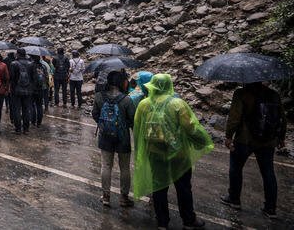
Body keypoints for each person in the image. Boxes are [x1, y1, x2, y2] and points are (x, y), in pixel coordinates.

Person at [133, 74, 212, 230]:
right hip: (179, 154)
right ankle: (188, 220)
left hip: (155, 152)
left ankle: (162, 222)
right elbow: (191, 127)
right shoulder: (178, 104)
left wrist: (140, 151)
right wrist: (203, 141)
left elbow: (138, 130)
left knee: (159, 187)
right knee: (183, 187)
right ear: (169, 85)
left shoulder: (144, 104)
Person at [221, 81, 286, 219]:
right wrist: (281, 137)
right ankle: (270, 208)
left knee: (236, 168)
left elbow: (234, 117)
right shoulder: (273, 94)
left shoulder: (241, 93)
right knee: (268, 172)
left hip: (245, 139)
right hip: (268, 141)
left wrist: (228, 136)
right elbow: (281, 117)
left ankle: (234, 199)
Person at [92, 70, 136, 208]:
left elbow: (95, 114)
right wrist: (124, 125)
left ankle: (106, 196)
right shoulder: (126, 99)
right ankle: (124, 198)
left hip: (105, 136)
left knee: (106, 165)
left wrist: (104, 125)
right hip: (122, 137)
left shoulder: (99, 96)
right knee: (124, 168)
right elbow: (132, 119)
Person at [10, 48, 34, 134]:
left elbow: (12, 78)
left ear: (18, 54)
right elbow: (33, 78)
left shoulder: (14, 64)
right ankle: (26, 129)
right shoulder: (31, 64)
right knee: (26, 109)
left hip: (16, 90)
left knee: (17, 109)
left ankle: (18, 129)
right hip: (28, 90)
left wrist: (12, 89)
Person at [28, 55, 44, 127]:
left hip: (32, 88)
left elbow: (28, 77)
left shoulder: (31, 65)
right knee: (39, 106)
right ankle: (39, 122)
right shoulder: (42, 66)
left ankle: (33, 121)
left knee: (32, 105)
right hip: (40, 88)